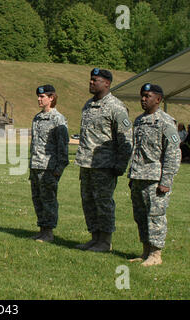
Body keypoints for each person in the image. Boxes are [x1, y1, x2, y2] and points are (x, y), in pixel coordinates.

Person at [75, 68, 133, 252]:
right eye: (91, 80)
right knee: (89, 202)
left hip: (105, 166)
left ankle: (105, 241)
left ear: (107, 83)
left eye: (95, 80)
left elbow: (126, 139)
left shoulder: (116, 107)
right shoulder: (88, 105)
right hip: (87, 163)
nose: (91, 83)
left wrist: (120, 165)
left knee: (103, 203)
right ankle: (94, 238)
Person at [128, 83, 181, 266]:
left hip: (155, 179)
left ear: (158, 99)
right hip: (138, 177)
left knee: (156, 216)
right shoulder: (139, 121)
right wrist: (132, 175)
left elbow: (173, 153)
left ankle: (156, 254)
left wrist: (166, 180)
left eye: (147, 96)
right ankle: (145, 251)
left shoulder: (166, 122)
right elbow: (136, 151)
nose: (143, 99)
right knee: (140, 216)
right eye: (142, 96)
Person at [29, 85, 69, 243]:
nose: (39, 99)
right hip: (36, 165)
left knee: (49, 200)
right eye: (38, 96)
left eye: (43, 96)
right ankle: (42, 229)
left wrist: (59, 168)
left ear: (51, 98)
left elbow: (63, 146)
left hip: (49, 168)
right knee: (37, 199)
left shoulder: (58, 119)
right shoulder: (37, 118)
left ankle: (49, 232)